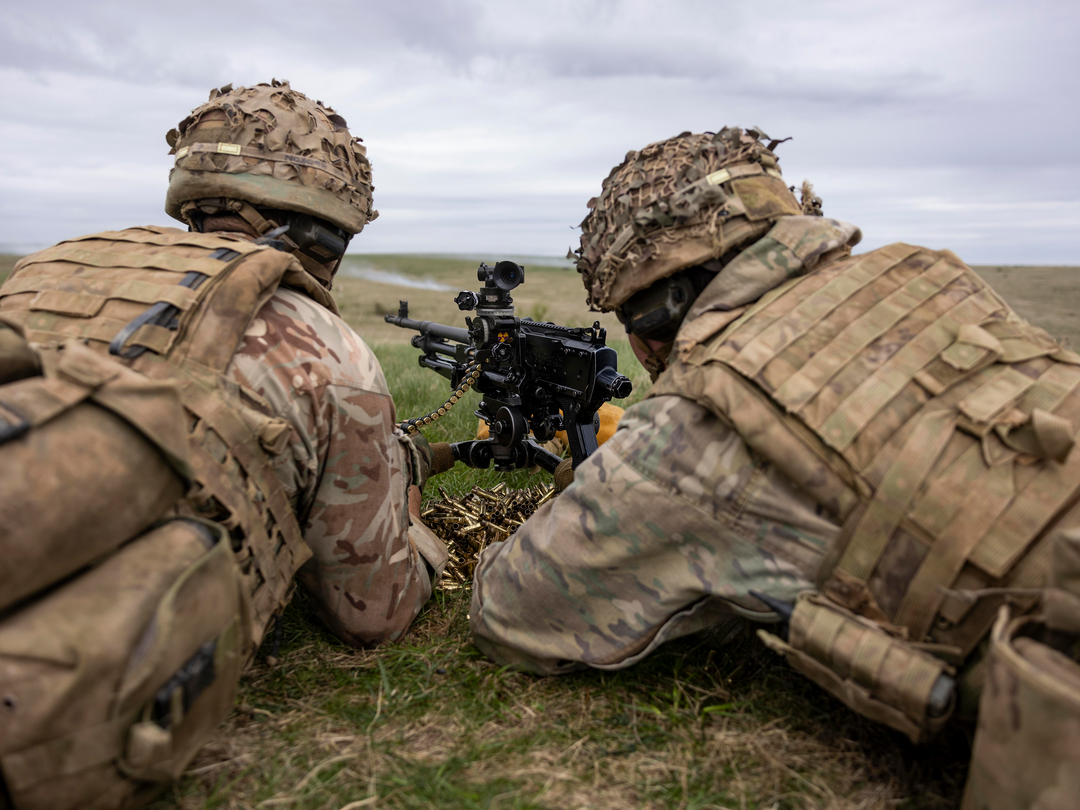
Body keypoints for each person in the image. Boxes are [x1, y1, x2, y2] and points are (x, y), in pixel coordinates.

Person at [469, 128, 1080, 798]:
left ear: (651, 320)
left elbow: (510, 613)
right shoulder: (929, 278)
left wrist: (621, 473)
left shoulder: (699, 424)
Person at [0, 81, 445, 809]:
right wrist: (414, 520)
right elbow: (371, 616)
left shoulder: (41, 274)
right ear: (328, 231)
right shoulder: (331, 348)